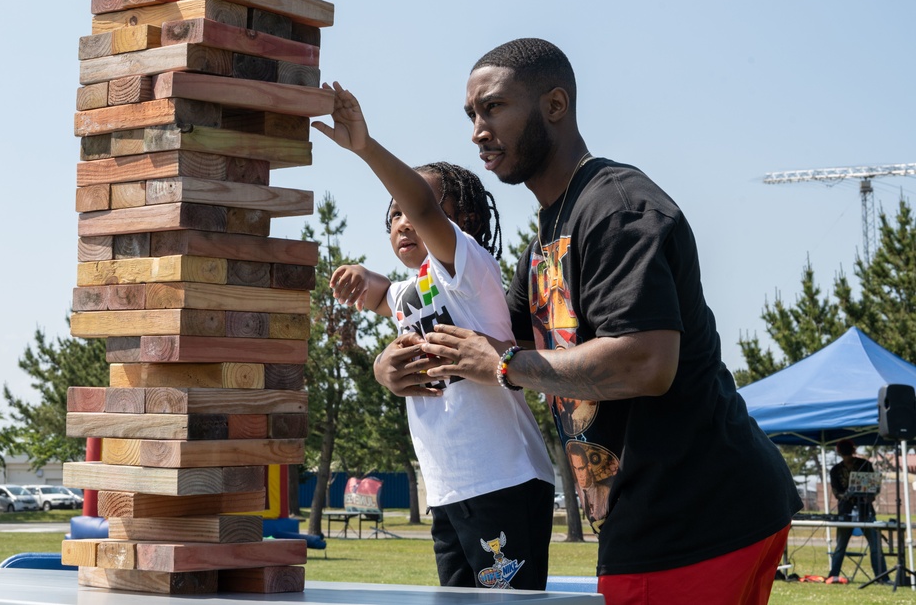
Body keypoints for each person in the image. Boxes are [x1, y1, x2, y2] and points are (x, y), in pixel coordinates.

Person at [372, 39, 803, 604]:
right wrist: (392, 366)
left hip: (697, 513)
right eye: (471, 115)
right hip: (654, 518)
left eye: (495, 108)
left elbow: (645, 362)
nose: (478, 129)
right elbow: (493, 341)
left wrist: (502, 364)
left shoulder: (617, 207)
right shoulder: (547, 238)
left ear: (555, 105)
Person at [311, 82, 555, 590]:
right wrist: (366, 284)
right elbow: (385, 297)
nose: (404, 218)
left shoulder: (469, 272)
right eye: (393, 214)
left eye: (412, 209)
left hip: (503, 478)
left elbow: (423, 206)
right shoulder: (413, 290)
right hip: (448, 488)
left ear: (461, 221)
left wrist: (365, 147)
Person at [826, 438, 887, 584]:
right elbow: (837, 493)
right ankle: (833, 575)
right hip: (846, 512)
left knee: (874, 546)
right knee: (842, 546)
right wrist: (847, 495)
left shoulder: (865, 465)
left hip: (865, 511)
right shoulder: (836, 470)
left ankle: (882, 576)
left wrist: (868, 497)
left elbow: (874, 488)